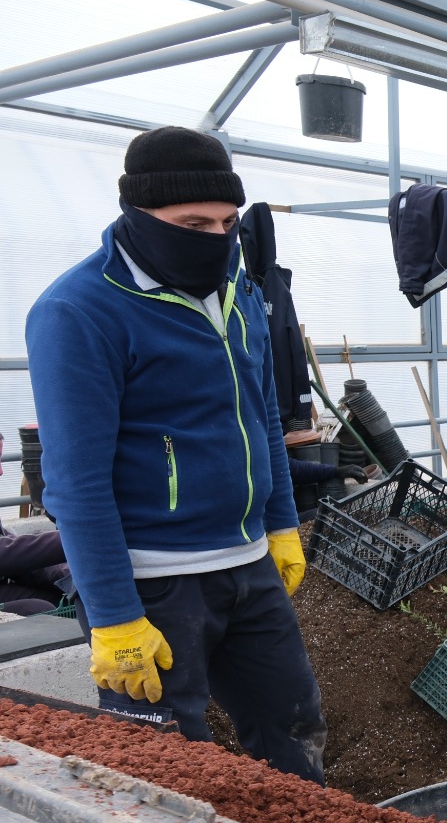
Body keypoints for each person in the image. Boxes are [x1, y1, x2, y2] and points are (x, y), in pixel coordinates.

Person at [24, 126, 327, 782]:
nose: (215, 240)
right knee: (167, 773)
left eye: (227, 222)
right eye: (193, 223)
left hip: (248, 567)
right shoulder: (79, 311)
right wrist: (112, 616)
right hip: (153, 581)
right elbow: (74, 482)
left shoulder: (239, 290)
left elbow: (262, 418)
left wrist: (278, 524)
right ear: (137, 214)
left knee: (293, 725)